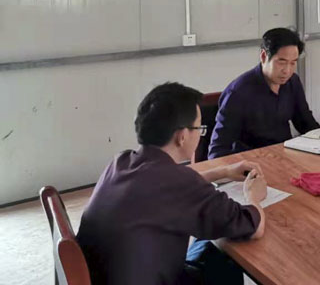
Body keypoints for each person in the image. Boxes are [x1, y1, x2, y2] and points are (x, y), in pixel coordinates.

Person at [77, 82, 267, 285]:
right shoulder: (179, 183)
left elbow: (168, 185)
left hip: (104, 276)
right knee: (227, 260)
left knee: (209, 243)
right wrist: (253, 196)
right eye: (199, 128)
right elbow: (253, 226)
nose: (200, 134)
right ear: (182, 137)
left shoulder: (121, 161)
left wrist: (224, 172)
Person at [209, 28, 320, 158]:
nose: (287, 71)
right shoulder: (238, 92)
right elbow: (218, 149)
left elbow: (306, 123)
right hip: (250, 160)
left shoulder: (292, 82)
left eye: (293, 63)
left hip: (283, 155)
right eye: (282, 62)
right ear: (263, 56)